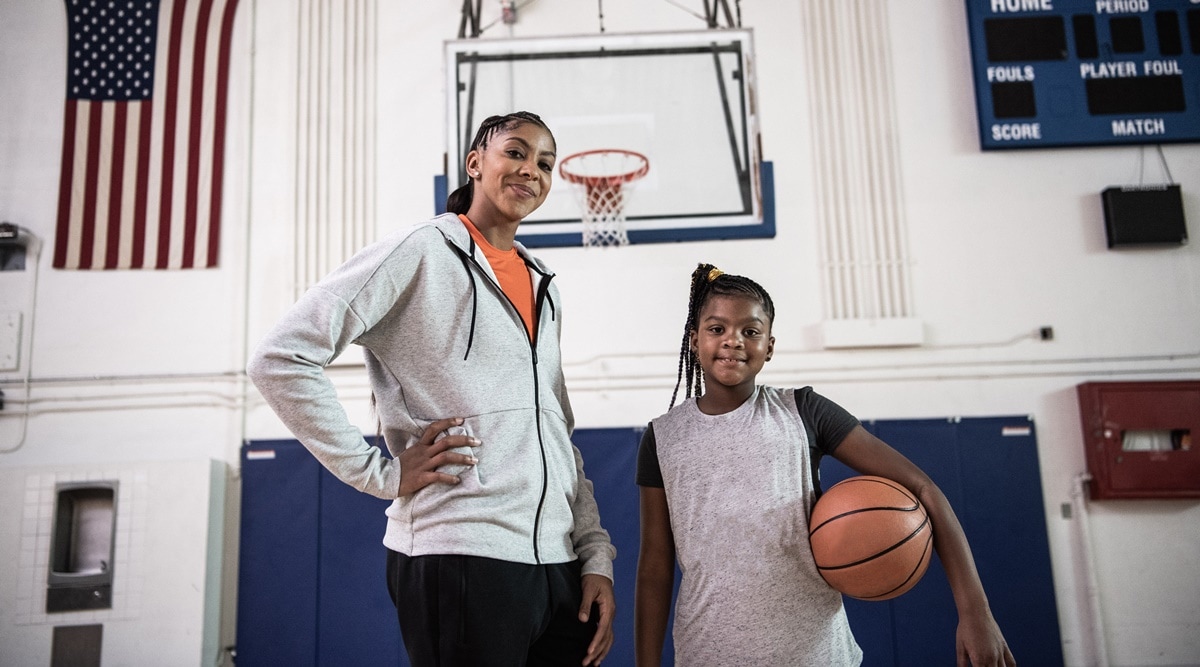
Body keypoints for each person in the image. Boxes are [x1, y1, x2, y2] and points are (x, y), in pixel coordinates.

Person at [247, 111, 616, 667]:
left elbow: (556, 434)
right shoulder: (417, 252)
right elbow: (281, 357)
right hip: (461, 553)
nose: (531, 170)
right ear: (474, 163)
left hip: (557, 565)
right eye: (515, 152)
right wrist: (382, 474)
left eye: (544, 162)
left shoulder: (544, 285)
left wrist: (593, 556)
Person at [633, 263, 1016, 667]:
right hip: (706, 654)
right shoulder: (663, 437)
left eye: (750, 331)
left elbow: (924, 489)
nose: (733, 341)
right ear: (694, 340)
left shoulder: (803, 412)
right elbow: (655, 564)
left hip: (817, 655)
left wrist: (975, 611)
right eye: (717, 329)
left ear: (770, 346)